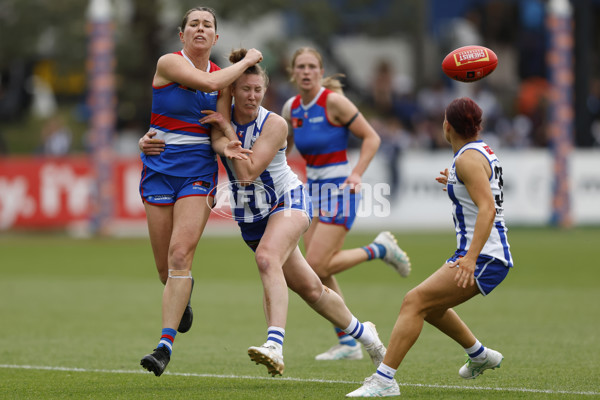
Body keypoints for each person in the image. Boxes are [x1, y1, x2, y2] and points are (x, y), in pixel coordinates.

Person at [199, 48, 387, 377]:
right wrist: (219, 139)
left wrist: (226, 136)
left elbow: (246, 174)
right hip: (252, 218)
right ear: (233, 91)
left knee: (267, 259)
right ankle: (366, 336)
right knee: (312, 290)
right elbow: (216, 134)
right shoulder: (223, 113)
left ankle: (274, 345)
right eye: (245, 89)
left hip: (290, 200)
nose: (253, 96)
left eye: (258, 89)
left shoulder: (274, 123)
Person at [347, 97, 514, 397]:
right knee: (431, 307)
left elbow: (487, 208)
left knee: (414, 302)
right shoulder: (478, 153)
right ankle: (478, 355)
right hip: (484, 252)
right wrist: (453, 182)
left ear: (446, 125)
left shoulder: (466, 159)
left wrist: (471, 259)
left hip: (485, 255)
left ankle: (385, 379)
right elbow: (482, 191)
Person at [137, 7, 262, 377]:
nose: (201, 29)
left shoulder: (222, 82)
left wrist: (229, 147)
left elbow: (216, 132)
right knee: (166, 270)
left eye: (208, 25)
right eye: (194, 23)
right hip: (158, 172)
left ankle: (163, 346)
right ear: (182, 34)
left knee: (180, 254)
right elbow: (206, 84)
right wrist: (251, 59)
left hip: (198, 174)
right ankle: (182, 295)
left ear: (215, 38)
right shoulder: (169, 63)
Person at [281, 47, 411, 361]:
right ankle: (349, 341)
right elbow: (283, 149)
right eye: (301, 66)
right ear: (293, 72)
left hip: (341, 189)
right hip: (312, 191)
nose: (307, 71)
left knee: (316, 265)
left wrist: (357, 174)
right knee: (319, 272)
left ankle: (379, 249)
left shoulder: (334, 102)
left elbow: (372, 138)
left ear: (320, 70)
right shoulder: (292, 109)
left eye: (313, 66)